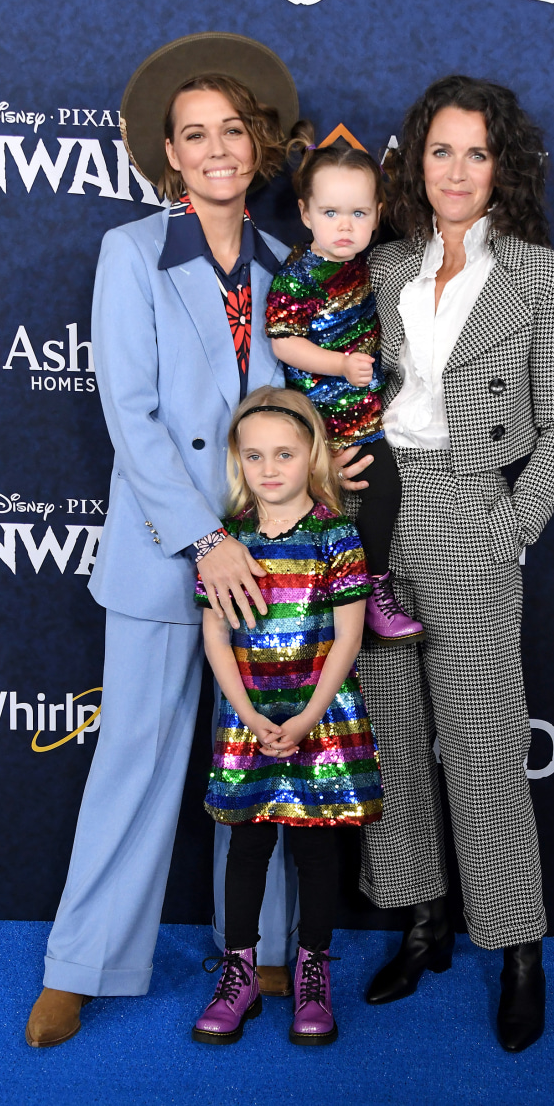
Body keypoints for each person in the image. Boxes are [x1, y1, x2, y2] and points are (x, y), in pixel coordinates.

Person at [25, 33, 304, 1048]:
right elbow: (132, 416)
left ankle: (267, 950)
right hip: (163, 553)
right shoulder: (131, 252)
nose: (217, 149)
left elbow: (304, 411)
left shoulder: (288, 262)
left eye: (232, 129)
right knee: (134, 760)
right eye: (196, 135)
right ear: (170, 156)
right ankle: (81, 963)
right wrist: (203, 539)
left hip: (271, 563)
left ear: (258, 143)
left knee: (268, 753)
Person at [346, 75, 554, 1053]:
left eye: (475, 152)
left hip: (467, 508)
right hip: (376, 509)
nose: (455, 170)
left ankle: (518, 948)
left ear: (503, 167)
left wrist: (512, 523)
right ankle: (420, 922)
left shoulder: (542, 274)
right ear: (415, 160)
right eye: (439, 150)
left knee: (485, 746)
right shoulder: (380, 263)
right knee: (390, 737)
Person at [191, 386, 382, 1046]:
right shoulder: (228, 543)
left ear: (312, 456)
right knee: (245, 846)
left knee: (314, 846)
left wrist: (304, 719)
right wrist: (246, 713)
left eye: (283, 454)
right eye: (252, 456)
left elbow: (350, 638)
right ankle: (238, 973)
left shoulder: (336, 537)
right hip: (249, 720)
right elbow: (216, 636)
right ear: (237, 464)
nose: (268, 469)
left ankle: (312, 974)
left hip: (320, 723)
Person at [265, 128, 423, 646]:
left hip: (366, 415)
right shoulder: (298, 274)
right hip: (317, 418)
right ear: (306, 214)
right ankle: (314, 605)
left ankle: (374, 589)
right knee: (312, 516)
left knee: (384, 497)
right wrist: (338, 364)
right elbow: (284, 342)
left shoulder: (371, 266)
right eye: (331, 213)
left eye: (358, 214)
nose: (345, 226)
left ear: (378, 214)